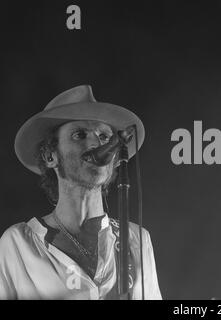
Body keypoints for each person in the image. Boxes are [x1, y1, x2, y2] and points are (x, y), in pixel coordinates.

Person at [0, 85, 162, 299]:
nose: (96, 143)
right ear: (50, 156)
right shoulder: (17, 244)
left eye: (104, 136)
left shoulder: (137, 239)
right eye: (80, 135)